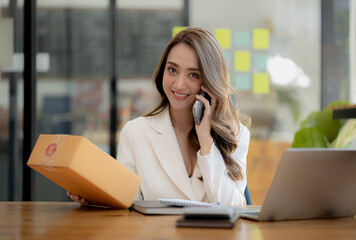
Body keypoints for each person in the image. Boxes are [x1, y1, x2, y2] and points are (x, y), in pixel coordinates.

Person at [68, 27, 250, 206]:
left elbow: (233, 207)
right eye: (172, 70)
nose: (179, 84)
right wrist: (97, 199)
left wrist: (206, 143)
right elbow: (127, 206)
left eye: (193, 75)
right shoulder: (135, 133)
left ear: (210, 82)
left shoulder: (235, 134)